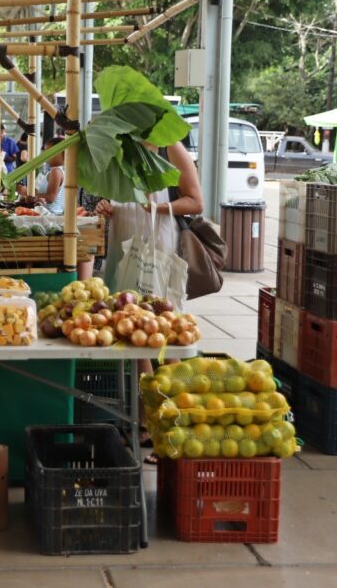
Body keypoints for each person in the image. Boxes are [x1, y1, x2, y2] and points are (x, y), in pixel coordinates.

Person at [95, 140, 203, 464]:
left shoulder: (171, 149)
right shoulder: (119, 148)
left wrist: (156, 208)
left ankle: (172, 432)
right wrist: (109, 207)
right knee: (135, 339)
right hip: (125, 248)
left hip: (157, 251)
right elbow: (121, 199)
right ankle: (146, 424)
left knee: (165, 341)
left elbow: (196, 201)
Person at [33, 136, 66, 214]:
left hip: (50, 215)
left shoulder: (56, 171)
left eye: (49, 151)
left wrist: (29, 192)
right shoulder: (54, 171)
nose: (45, 154)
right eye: (45, 151)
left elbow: (51, 198)